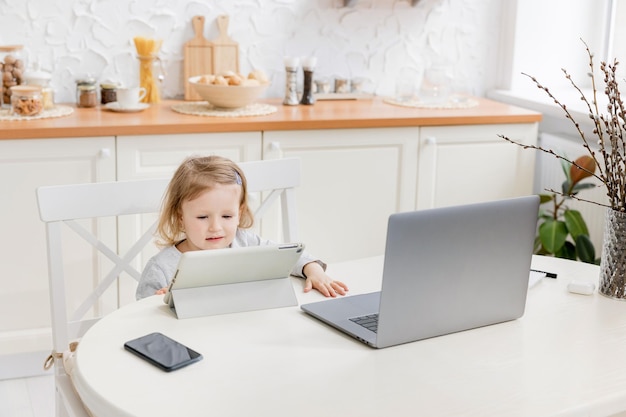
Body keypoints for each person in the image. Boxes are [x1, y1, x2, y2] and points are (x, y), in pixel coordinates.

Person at [136, 155, 349, 300]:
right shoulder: (162, 269)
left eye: (227, 216)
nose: (215, 227)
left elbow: (290, 256)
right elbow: (140, 321)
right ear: (180, 216)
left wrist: (313, 270)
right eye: (202, 217)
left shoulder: (245, 243)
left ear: (240, 213)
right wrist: (158, 307)